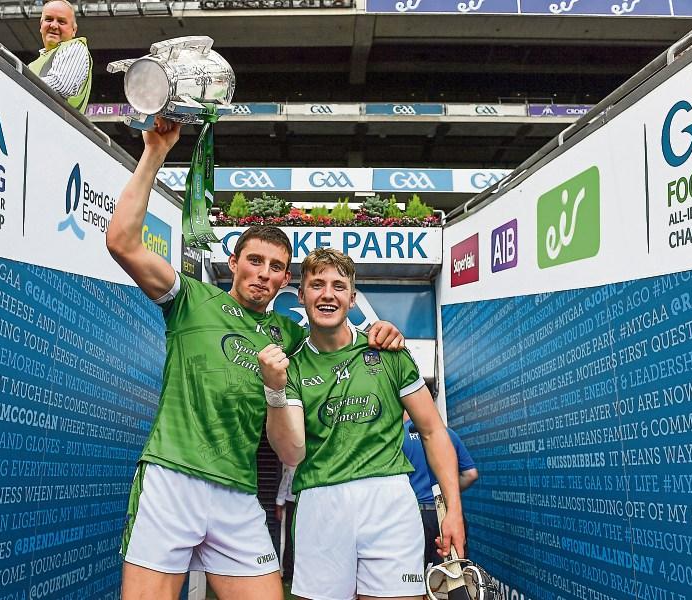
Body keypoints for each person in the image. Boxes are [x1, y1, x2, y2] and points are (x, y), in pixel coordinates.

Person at [106, 117, 404, 600]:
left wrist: (379, 333)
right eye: (255, 261)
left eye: (276, 268)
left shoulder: (288, 334)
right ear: (234, 262)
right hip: (172, 479)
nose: (263, 274)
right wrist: (156, 152)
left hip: (239, 494)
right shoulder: (191, 300)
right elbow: (122, 241)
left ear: (286, 281)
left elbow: (337, 341)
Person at [259, 247, 465, 600]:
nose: (327, 294)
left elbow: (433, 431)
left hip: (389, 501)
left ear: (352, 298)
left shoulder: (388, 351)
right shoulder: (289, 366)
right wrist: (274, 390)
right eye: (317, 285)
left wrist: (454, 511)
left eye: (338, 286)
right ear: (302, 295)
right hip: (320, 503)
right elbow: (290, 452)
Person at [402, 413, 478, 568]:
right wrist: (447, 493)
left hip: (414, 516)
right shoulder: (447, 434)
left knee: (413, 579)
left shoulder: (398, 437)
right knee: (451, 576)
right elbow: (471, 474)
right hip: (447, 514)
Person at [28, 0, 92, 112]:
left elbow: (61, 85)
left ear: (74, 30)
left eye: (61, 22)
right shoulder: (33, 65)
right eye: (49, 19)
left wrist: (20, 83)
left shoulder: (76, 47)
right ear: (41, 25)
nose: (53, 25)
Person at [275, 463, 296, 582]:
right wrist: (278, 507)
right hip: (292, 505)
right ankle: (288, 573)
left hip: (308, 505)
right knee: (290, 540)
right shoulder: (292, 466)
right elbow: (283, 487)